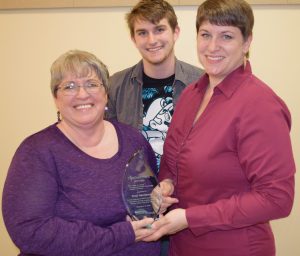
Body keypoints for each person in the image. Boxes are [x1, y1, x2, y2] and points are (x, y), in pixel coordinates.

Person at [143, 0, 296, 256]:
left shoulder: (260, 105)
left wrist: (191, 218)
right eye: (205, 35)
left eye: (226, 36)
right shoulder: (192, 93)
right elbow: (173, 166)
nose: (212, 47)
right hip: (182, 246)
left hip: (235, 247)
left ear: (246, 43)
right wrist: (165, 187)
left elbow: (277, 199)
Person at [2, 50, 160, 256]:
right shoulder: (36, 152)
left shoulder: (133, 140)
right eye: (69, 86)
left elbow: (148, 199)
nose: (82, 94)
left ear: (106, 93)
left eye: (92, 84)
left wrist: (159, 200)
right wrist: (120, 235)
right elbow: (30, 230)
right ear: (56, 99)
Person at [106, 0, 204, 168]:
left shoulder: (202, 83)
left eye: (159, 30)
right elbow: (107, 144)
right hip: (135, 189)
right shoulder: (115, 85)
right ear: (133, 38)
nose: (152, 40)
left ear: (175, 32)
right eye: (142, 33)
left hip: (188, 188)